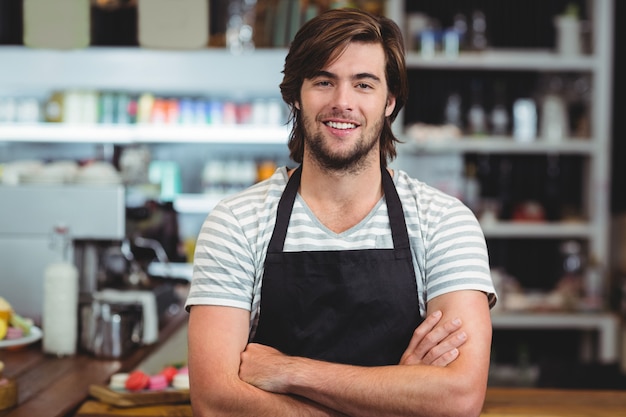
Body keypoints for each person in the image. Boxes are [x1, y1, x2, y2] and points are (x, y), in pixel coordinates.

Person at [185, 7, 497, 417]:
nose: (342, 102)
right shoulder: (236, 223)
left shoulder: (444, 222)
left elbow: (458, 398)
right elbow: (215, 400)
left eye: (363, 84)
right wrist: (397, 397)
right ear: (296, 94)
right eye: (323, 81)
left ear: (390, 101)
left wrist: (289, 371)